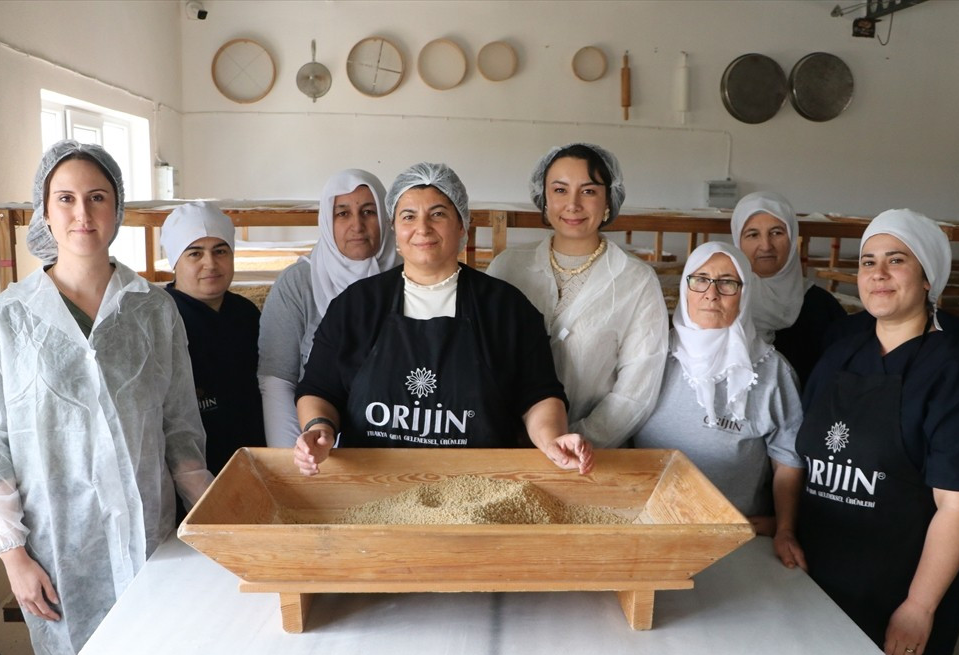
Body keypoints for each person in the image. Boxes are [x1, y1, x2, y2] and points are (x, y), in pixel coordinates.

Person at [0, 140, 212, 655]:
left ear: (117, 209)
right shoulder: (9, 319)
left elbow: (180, 427)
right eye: (66, 198)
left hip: (152, 542)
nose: (82, 213)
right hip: (59, 557)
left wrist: (214, 518)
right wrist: (15, 558)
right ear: (45, 211)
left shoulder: (152, 309)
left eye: (97, 197)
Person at [775, 209, 959, 655]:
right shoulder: (843, 346)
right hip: (820, 572)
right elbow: (801, 451)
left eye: (896, 260)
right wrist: (787, 528)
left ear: (927, 277)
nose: (878, 274)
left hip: (899, 583)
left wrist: (920, 607)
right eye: (867, 262)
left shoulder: (958, 371)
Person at [292, 162, 592, 476]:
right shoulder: (356, 305)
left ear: (462, 225)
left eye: (438, 214)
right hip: (372, 483)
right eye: (408, 216)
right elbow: (320, 389)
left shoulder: (507, 308)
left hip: (482, 487)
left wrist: (551, 440)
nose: (422, 228)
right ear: (395, 227)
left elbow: (539, 395)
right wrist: (318, 429)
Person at [486, 143, 668, 448]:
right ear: (543, 198)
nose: (573, 204)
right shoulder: (508, 267)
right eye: (559, 190)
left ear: (608, 200)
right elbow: (483, 357)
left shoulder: (636, 280)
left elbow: (636, 390)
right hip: (506, 444)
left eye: (588, 191)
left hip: (591, 454)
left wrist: (575, 441)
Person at [634, 242, 804, 538]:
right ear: (686, 288)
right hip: (649, 526)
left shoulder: (772, 371)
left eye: (727, 282)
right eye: (700, 279)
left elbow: (787, 459)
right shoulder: (652, 353)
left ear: (745, 293)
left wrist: (785, 529)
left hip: (734, 533)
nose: (711, 294)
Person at [258, 169, 399, 446]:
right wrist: (294, 458)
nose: (357, 225)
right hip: (317, 441)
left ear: (385, 218)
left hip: (393, 439)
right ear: (326, 220)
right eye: (342, 213)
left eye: (369, 212)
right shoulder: (299, 283)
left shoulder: (409, 277)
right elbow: (278, 380)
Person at [162, 201, 265, 472]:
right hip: (188, 471)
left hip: (254, 462)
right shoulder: (159, 317)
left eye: (220, 251)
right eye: (195, 254)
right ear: (174, 261)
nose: (211, 263)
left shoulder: (246, 313)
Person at [731, 191, 845, 385]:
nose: (766, 246)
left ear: (792, 238)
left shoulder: (823, 308)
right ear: (738, 242)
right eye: (752, 234)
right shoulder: (724, 301)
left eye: (776, 233)